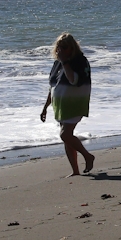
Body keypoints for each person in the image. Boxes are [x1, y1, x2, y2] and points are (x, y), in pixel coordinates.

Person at [39, 33, 97, 176]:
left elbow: (74, 80)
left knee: (65, 135)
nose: (61, 50)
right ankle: (75, 171)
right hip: (60, 105)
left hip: (75, 103)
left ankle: (88, 156)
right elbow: (52, 86)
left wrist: (65, 62)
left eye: (65, 47)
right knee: (67, 138)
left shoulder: (79, 61)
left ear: (72, 47)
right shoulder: (57, 62)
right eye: (59, 47)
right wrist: (45, 107)